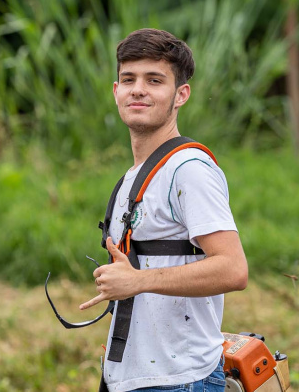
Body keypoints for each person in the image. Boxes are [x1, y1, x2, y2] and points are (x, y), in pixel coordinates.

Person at [79, 28, 248, 392]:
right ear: (116, 91)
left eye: (154, 80)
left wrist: (137, 281)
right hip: (134, 378)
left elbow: (234, 269)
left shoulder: (188, 170)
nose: (138, 89)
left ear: (180, 94)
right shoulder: (133, 176)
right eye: (129, 79)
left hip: (179, 381)